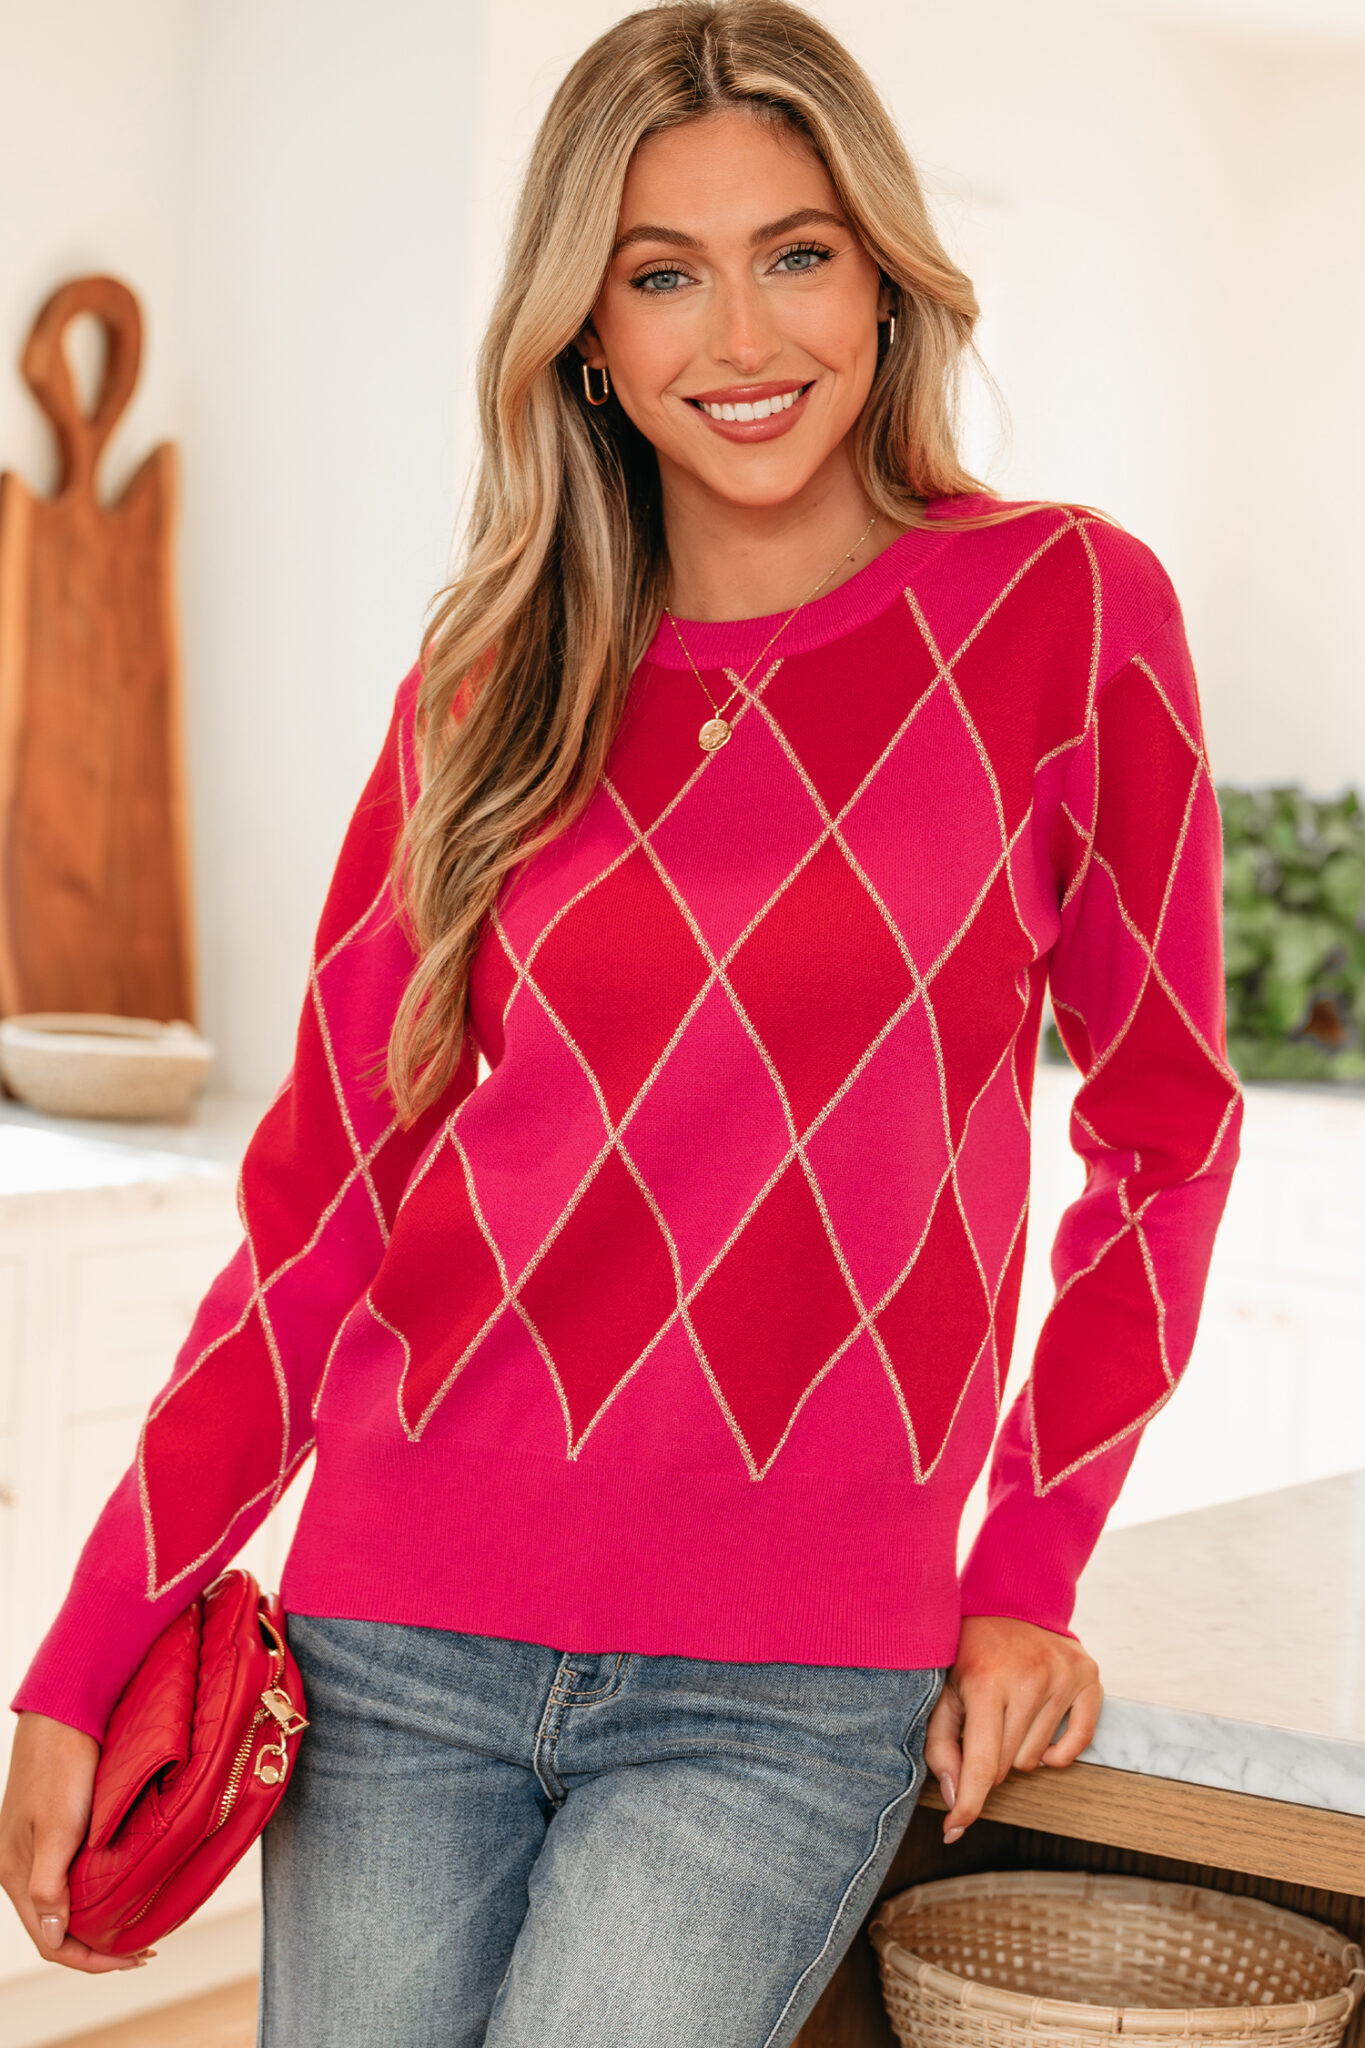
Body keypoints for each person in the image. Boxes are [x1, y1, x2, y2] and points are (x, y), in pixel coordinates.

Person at [0, 5, 1242, 2044]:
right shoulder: (487, 677)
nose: (739, 336)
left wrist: (1026, 1566)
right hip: (398, 1626)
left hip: (788, 1679)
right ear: (583, 326)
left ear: (883, 273)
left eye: (795, 253)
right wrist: (83, 1653)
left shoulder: (1062, 614)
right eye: (662, 273)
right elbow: (324, 1204)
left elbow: (1163, 1135)